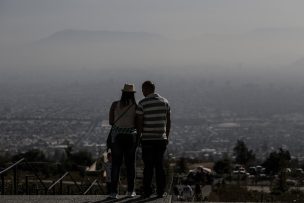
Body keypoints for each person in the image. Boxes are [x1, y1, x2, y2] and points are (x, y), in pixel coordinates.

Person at [136, 81, 171, 198]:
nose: (142, 92)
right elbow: (168, 121)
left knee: (148, 166)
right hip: (161, 139)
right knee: (159, 165)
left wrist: (139, 137)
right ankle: (161, 192)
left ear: (146, 89)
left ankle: (147, 191)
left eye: (142, 89)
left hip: (147, 140)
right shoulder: (165, 102)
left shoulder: (142, 103)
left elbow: (139, 123)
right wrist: (167, 136)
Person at [108, 83, 138, 199]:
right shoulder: (136, 107)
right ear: (132, 94)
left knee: (116, 165)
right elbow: (137, 123)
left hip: (117, 137)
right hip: (130, 137)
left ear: (123, 93)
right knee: (130, 165)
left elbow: (111, 121)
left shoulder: (115, 105)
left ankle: (113, 192)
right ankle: (130, 191)